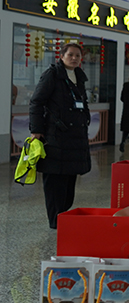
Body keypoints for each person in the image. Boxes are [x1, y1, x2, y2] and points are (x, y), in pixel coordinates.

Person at [29, 43, 92, 229]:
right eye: (70, 54)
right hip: (55, 138)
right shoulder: (52, 75)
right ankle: (55, 221)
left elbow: (82, 102)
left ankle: (64, 217)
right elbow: (36, 102)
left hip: (75, 139)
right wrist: (36, 130)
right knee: (55, 181)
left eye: (77, 55)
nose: (74, 58)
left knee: (69, 182)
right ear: (62, 56)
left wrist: (86, 117)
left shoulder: (79, 77)